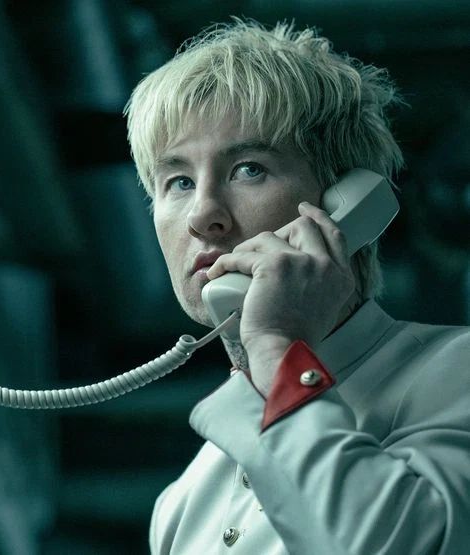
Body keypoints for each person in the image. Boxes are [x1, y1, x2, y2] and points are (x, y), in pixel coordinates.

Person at [125, 19, 470, 553]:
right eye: (180, 182)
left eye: (249, 169)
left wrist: (276, 347)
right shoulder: (183, 501)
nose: (202, 215)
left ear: (347, 201)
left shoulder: (456, 373)